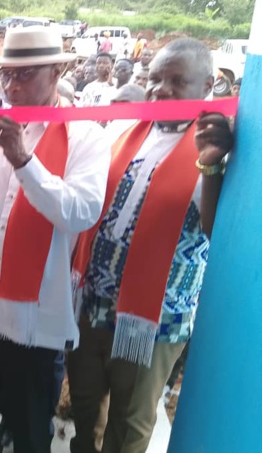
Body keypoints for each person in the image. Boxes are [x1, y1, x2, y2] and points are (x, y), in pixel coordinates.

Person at [0, 26, 109, 453]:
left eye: (26, 74)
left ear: (58, 72)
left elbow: (80, 212)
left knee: (30, 433)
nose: (13, 86)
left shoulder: (87, 136)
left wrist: (23, 160)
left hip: (33, 323)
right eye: (8, 75)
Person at [68, 38, 233, 453]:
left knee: (130, 422)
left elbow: (219, 232)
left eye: (178, 81)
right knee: (86, 407)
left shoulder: (219, 147)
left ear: (208, 84)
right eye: (155, 79)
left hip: (154, 321)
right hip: (94, 305)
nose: (161, 89)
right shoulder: (128, 131)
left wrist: (211, 164)